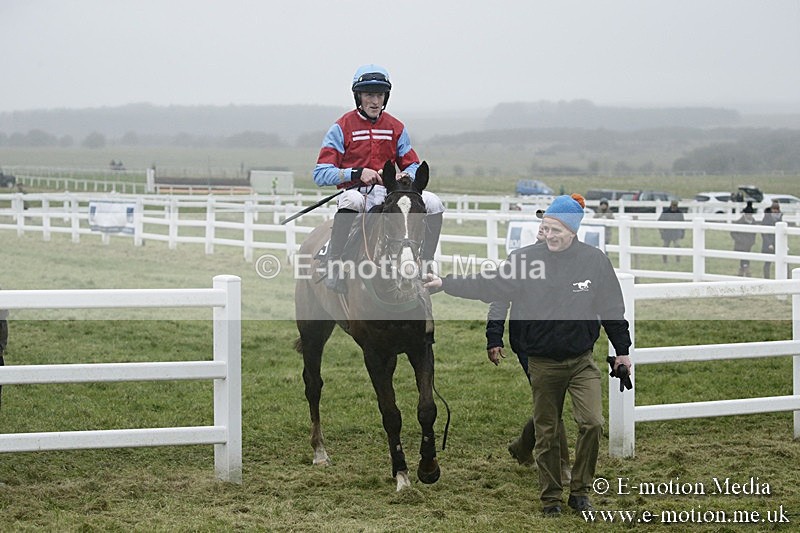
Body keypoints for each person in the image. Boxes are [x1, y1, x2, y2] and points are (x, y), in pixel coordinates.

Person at [425, 194, 632, 516]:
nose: (549, 235)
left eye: (556, 230)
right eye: (545, 228)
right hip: (543, 363)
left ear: (572, 230)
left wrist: (622, 352)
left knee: (592, 423)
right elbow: (489, 284)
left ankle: (580, 492)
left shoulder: (595, 261)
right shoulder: (525, 260)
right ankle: (551, 498)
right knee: (547, 433)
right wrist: (445, 283)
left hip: (582, 361)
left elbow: (612, 309)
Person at [313, 64, 445, 293]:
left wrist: (406, 174)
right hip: (358, 194)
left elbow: (413, 164)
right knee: (352, 200)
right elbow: (321, 173)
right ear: (359, 97)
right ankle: (334, 264)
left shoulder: (396, 127)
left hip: (390, 193)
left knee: (434, 202)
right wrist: (357, 173)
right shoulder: (341, 127)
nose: (375, 101)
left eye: (380, 95)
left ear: (386, 97)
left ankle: (425, 262)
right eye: (369, 95)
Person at [731, 202, 757, 277]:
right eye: (748, 214)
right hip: (741, 244)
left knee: (746, 257)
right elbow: (733, 232)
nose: (750, 216)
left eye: (751, 214)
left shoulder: (753, 222)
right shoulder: (739, 222)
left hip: (749, 243)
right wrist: (740, 240)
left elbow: (754, 233)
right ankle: (746, 271)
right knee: (744, 258)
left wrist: (752, 241)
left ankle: (741, 272)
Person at [761, 201, 783, 279]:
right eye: (774, 209)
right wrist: (769, 243)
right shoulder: (766, 218)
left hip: (778, 243)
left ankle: (786, 277)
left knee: (783, 261)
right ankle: (766, 278)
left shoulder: (780, 218)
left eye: (776, 209)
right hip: (769, 244)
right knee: (767, 263)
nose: (775, 211)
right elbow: (764, 233)